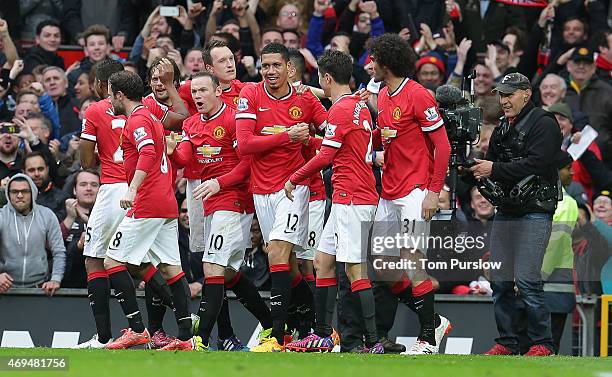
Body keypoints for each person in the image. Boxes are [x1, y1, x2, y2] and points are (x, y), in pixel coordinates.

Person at [284, 49, 383, 354]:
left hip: (353, 198)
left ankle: (372, 342)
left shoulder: (341, 110)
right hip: (348, 196)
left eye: (321, 81)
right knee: (322, 261)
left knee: (355, 271)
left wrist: (294, 177)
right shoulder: (358, 105)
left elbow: (326, 156)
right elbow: (340, 139)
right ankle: (324, 334)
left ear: (327, 78)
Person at [168, 72, 272, 352]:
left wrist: (219, 182)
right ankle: (272, 322)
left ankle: (199, 338)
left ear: (217, 91)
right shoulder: (191, 123)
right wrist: (171, 150)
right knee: (225, 272)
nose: (198, 96)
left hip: (234, 199)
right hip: (211, 200)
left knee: (212, 266)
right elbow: (185, 158)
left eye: (204, 90)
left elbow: (247, 165)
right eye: (195, 92)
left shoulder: (233, 119)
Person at [235, 42, 327, 352]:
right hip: (262, 191)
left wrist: (311, 137)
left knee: (276, 253)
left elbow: (331, 137)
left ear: (289, 68)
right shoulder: (251, 94)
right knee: (287, 266)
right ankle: (316, 327)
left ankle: (276, 336)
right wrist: (286, 136)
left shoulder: (304, 100)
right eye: (266, 66)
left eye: (277, 65)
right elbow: (244, 144)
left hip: (293, 189)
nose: (271, 71)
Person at [367, 33, 452, 355]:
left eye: (373, 59)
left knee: (413, 260)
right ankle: (435, 319)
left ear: (386, 63)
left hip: (415, 192)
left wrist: (433, 192)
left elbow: (442, 146)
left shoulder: (418, 95)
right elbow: (387, 137)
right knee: (385, 266)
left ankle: (428, 337)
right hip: (389, 191)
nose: (369, 65)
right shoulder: (385, 95)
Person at [102, 70, 198, 350]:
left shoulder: (139, 119)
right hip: (164, 201)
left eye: (111, 94)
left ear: (120, 95)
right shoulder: (151, 116)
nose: (109, 99)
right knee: (170, 269)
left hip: (148, 202)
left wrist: (132, 188)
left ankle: (136, 330)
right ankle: (185, 338)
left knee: (112, 262)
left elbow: (146, 152)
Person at [469, 72, 563, 356]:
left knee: (526, 278)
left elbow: (538, 162)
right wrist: (473, 169)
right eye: (501, 94)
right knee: (499, 279)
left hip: (534, 210)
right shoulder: (502, 128)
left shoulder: (545, 123)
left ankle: (542, 343)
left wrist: (492, 169)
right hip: (508, 210)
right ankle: (508, 342)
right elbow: (494, 165)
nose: (504, 100)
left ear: (527, 93)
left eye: (510, 94)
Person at [75, 58, 127, 349]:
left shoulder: (94, 109)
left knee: (94, 258)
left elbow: (85, 161)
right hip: (140, 188)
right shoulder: (141, 107)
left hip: (111, 188)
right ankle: (177, 328)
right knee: (149, 264)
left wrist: (95, 151)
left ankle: (104, 336)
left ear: (100, 84)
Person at [0, 174, 65, 295]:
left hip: (39, 289)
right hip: (6, 290)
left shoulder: (47, 215)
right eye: (14, 192)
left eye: (24, 191)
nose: (20, 195)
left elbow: (59, 251)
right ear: (8, 194)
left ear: (33, 193)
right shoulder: (2, 216)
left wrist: (56, 279)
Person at [61, 169, 100, 289]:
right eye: (83, 184)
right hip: (67, 285)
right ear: (74, 190)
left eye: (94, 185)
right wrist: (70, 217)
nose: (89, 188)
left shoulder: (109, 216)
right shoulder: (61, 213)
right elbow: (51, 247)